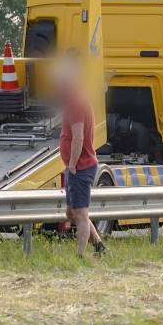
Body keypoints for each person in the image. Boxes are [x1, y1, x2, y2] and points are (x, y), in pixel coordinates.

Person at [56, 56, 106, 258]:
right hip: (75, 166)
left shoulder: (75, 102)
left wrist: (74, 165)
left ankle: (80, 256)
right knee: (72, 212)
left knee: (80, 214)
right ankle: (100, 245)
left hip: (80, 166)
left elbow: (78, 137)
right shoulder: (75, 99)